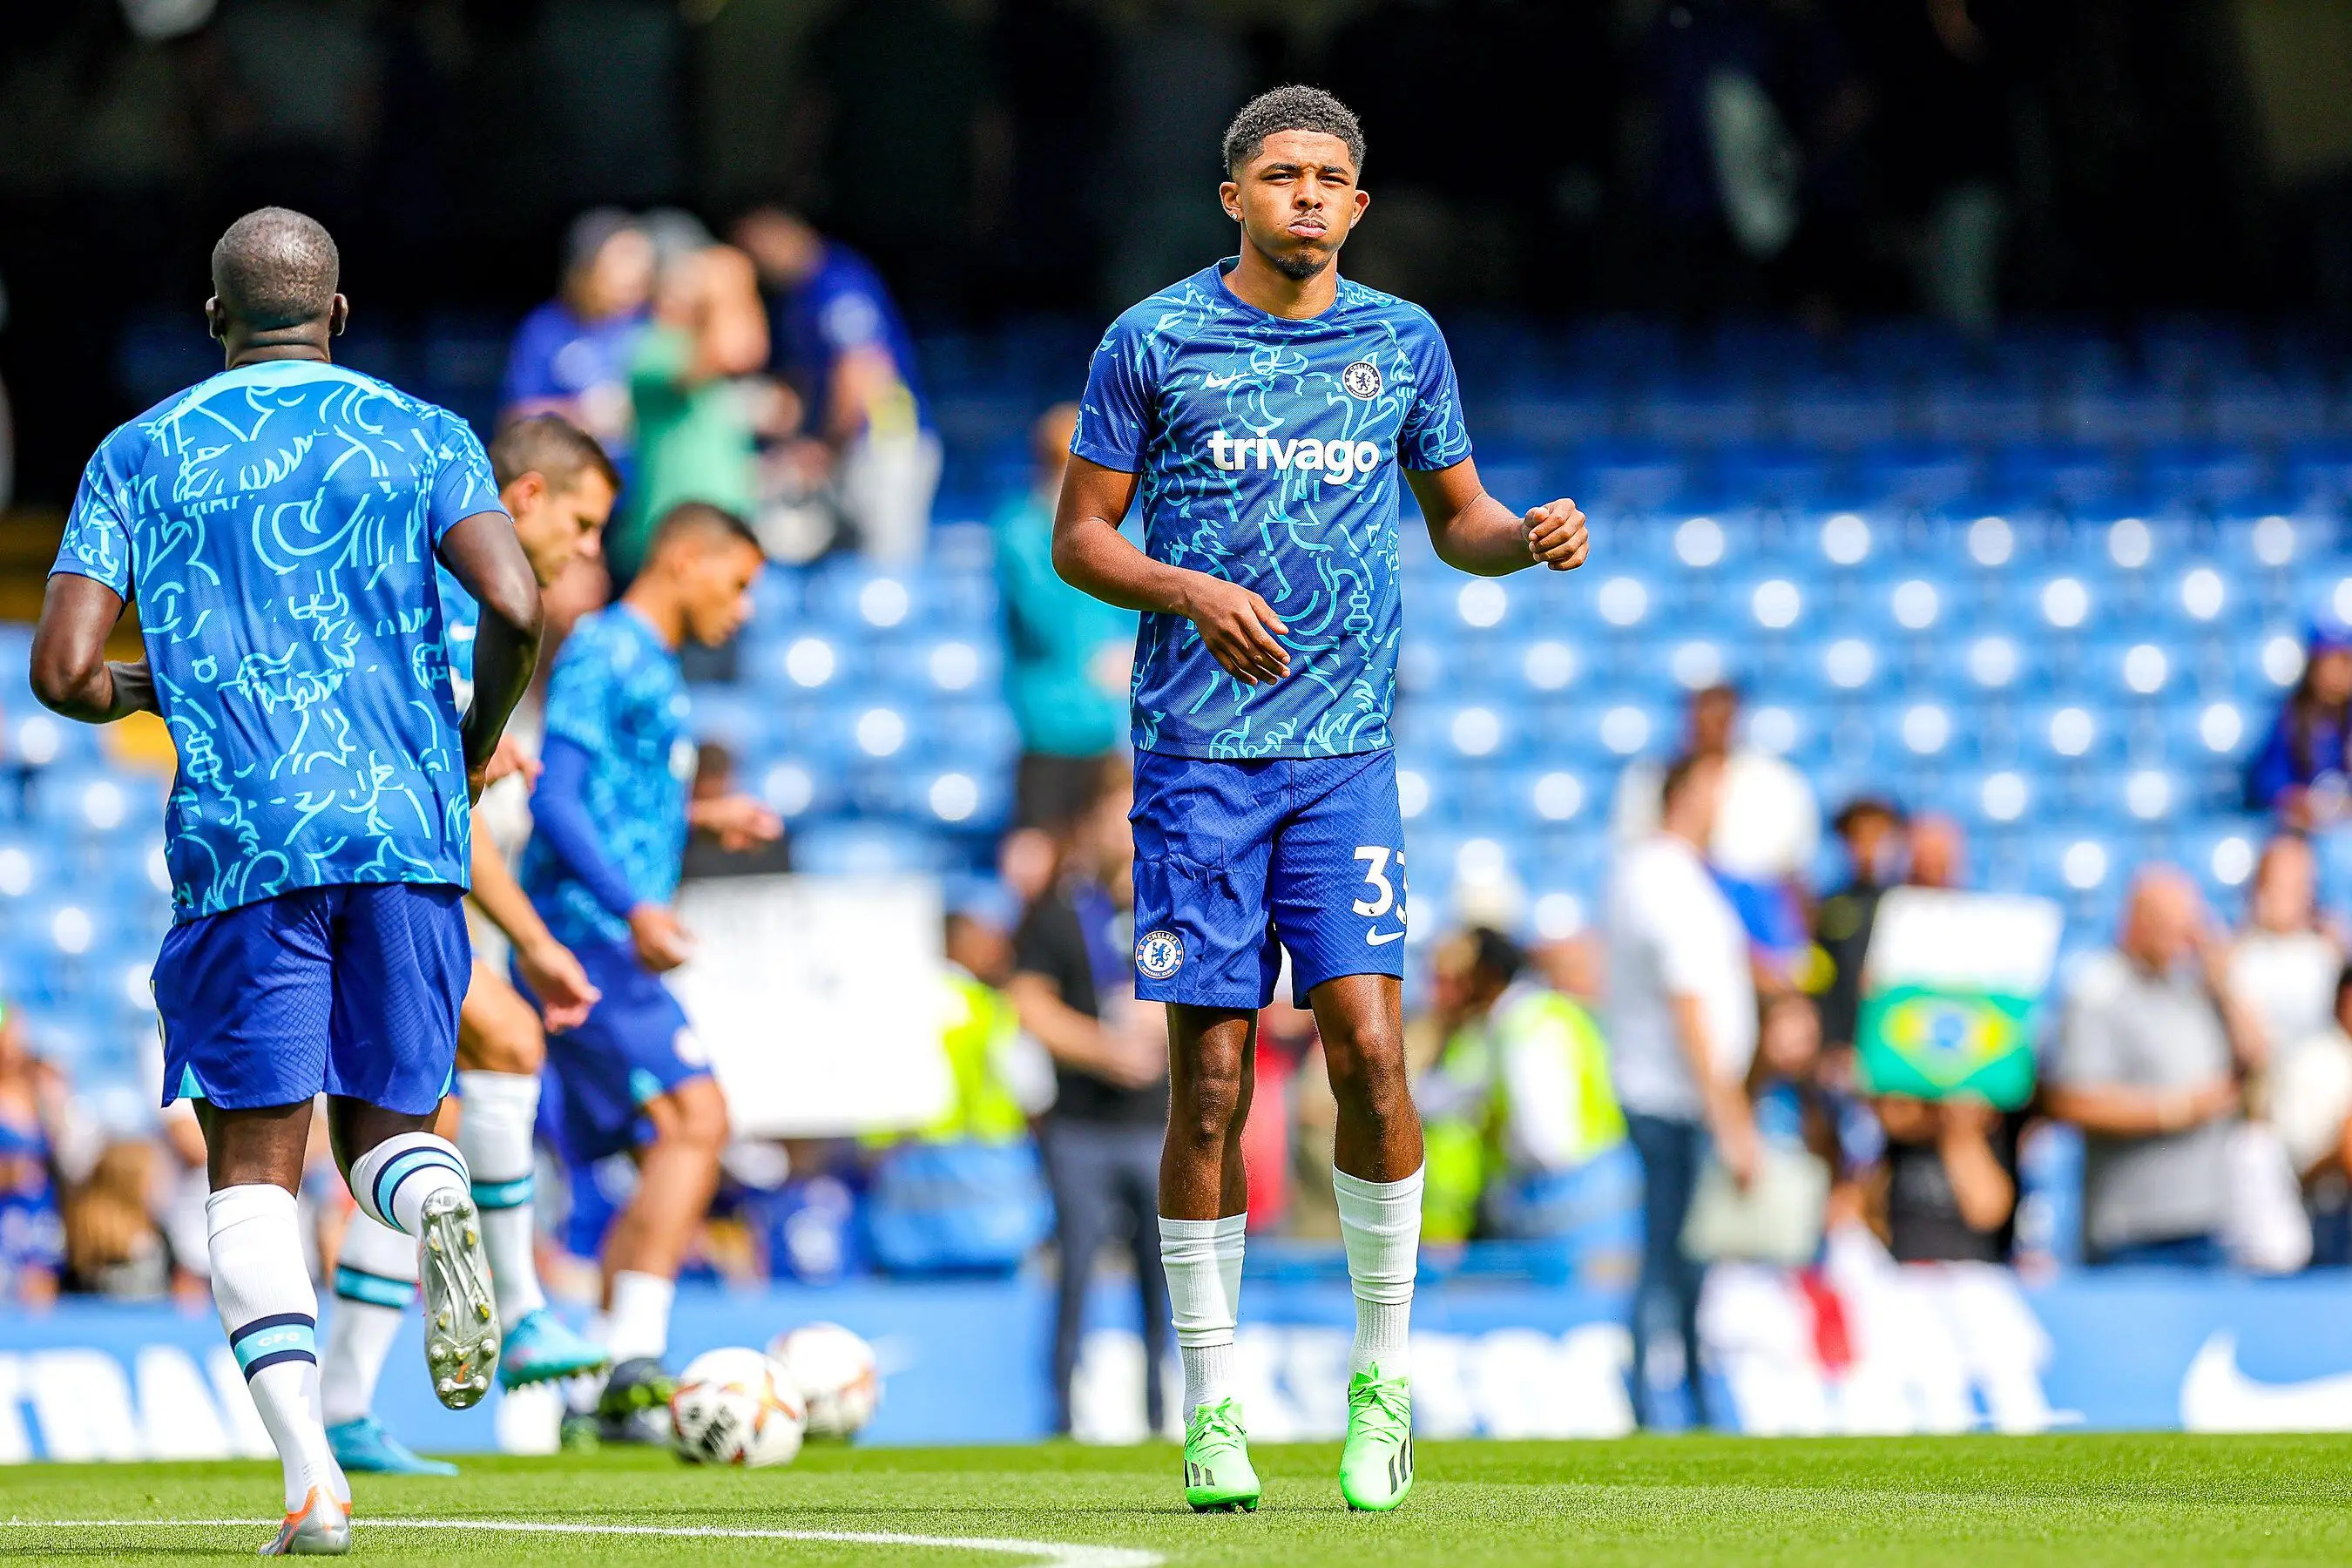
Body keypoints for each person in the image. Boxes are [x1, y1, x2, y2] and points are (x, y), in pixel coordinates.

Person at [1050, 84, 1590, 1513]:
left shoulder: (1402, 343)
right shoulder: (1152, 340)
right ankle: (1214, 1406)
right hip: (1193, 761)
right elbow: (1080, 540)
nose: (1305, 194)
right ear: (1232, 195)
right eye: (1278, 174)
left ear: (1359, 206)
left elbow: (1457, 518)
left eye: (1330, 178)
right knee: (1213, 1078)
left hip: (1346, 755)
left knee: (1370, 1044)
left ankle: (1383, 1381)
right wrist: (1189, 589)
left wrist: (1520, 539)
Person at [30, 207, 542, 1554]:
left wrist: (158, 684)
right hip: (407, 828)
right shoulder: (425, 434)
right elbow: (523, 602)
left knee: (255, 1177)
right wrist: (473, 738)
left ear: (214, 318)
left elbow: (62, 672)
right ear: (339, 314)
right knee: (388, 1137)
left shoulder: (140, 454)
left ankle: (312, 1477)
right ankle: (438, 1206)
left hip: (244, 843)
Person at [319, 414, 620, 1477]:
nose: (589, 550)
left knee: (407, 1149)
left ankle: (346, 1406)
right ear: (527, 497)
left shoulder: (464, 610)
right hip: (380, 886)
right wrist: (531, 940)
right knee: (507, 1042)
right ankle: (526, 1307)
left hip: (369, 881)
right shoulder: (461, 602)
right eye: (584, 525)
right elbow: (438, 803)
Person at [516, 501, 780, 1438]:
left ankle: (601, 1385)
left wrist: (705, 820)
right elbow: (558, 798)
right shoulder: (609, 651)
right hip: (586, 934)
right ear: (682, 558)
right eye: (737, 581)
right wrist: (635, 906)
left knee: (668, 1140)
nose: (744, 607)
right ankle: (630, 1356)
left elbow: (618, 798)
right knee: (697, 1119)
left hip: (604, 934)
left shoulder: (649, 664)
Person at [1006, 770, 1169, 1436]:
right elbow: (1028, 1003)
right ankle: (1063, 1413)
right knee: (1074, 1268)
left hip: (1158, 1123)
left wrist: (1159, 1025)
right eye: (1114, 820)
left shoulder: (1172, 906)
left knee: (1166, 1273)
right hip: (1080, 1126)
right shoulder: (1060, 910)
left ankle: (1167, 1411)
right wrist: (1102, 1049)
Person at [1605, 752, 1756, 1429]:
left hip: (1666, 1090)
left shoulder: (1658, 874)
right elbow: (1689, 1003)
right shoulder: (1666, 876)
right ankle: (1656, 1400)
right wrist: (1732, 1118)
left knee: (1678, 1259)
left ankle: (1679, 1396)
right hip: (1674, 1096)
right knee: (1669, 1257)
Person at [2047, 868, 2266, 1267]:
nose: (2184, 937)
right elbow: (2072, 1101)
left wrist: (2225, 982)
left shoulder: (2196, 989)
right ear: (2135, 921)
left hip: (2210, 1221)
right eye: (2171, 923)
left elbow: (2256, 1059)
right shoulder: (2099, 990)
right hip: (2132, 1229)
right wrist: (2175, 1110)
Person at [733, 205, 938, 563]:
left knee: (885, 572)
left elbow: (861, 373)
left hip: (884, 442)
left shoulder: (836, 280)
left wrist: (824, 448)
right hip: (848, 450)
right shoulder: (796, 296)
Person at [996, 402, 1137, 831]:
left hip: (1106, 724)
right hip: (1050, 722)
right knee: (1039, 854)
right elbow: (1045, 619)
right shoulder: (1020, 532)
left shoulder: (1116, 533)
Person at [610, 246, 770, 585]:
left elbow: (747, 351)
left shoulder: (699, 341)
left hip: (723, 530)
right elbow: (724, 352)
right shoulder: (651, 347)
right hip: (671, 536)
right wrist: (729, 293)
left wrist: (737, 289)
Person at [500, 210, 656, 456]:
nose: (637, 271)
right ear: (586, 266)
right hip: (572, 480)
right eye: (623, 258)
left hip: (641, 483)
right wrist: (582, 413)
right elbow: (515, 417)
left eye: (643, 261)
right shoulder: (547, 328)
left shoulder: (652, 324)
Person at [2227, 834, 2342, 1078]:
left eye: (2298, 883)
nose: (2287, 894)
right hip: (2268, 1080)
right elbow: (2251, 1049)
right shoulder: (2239, 958)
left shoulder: (2328, 953)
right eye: (2278, 883)